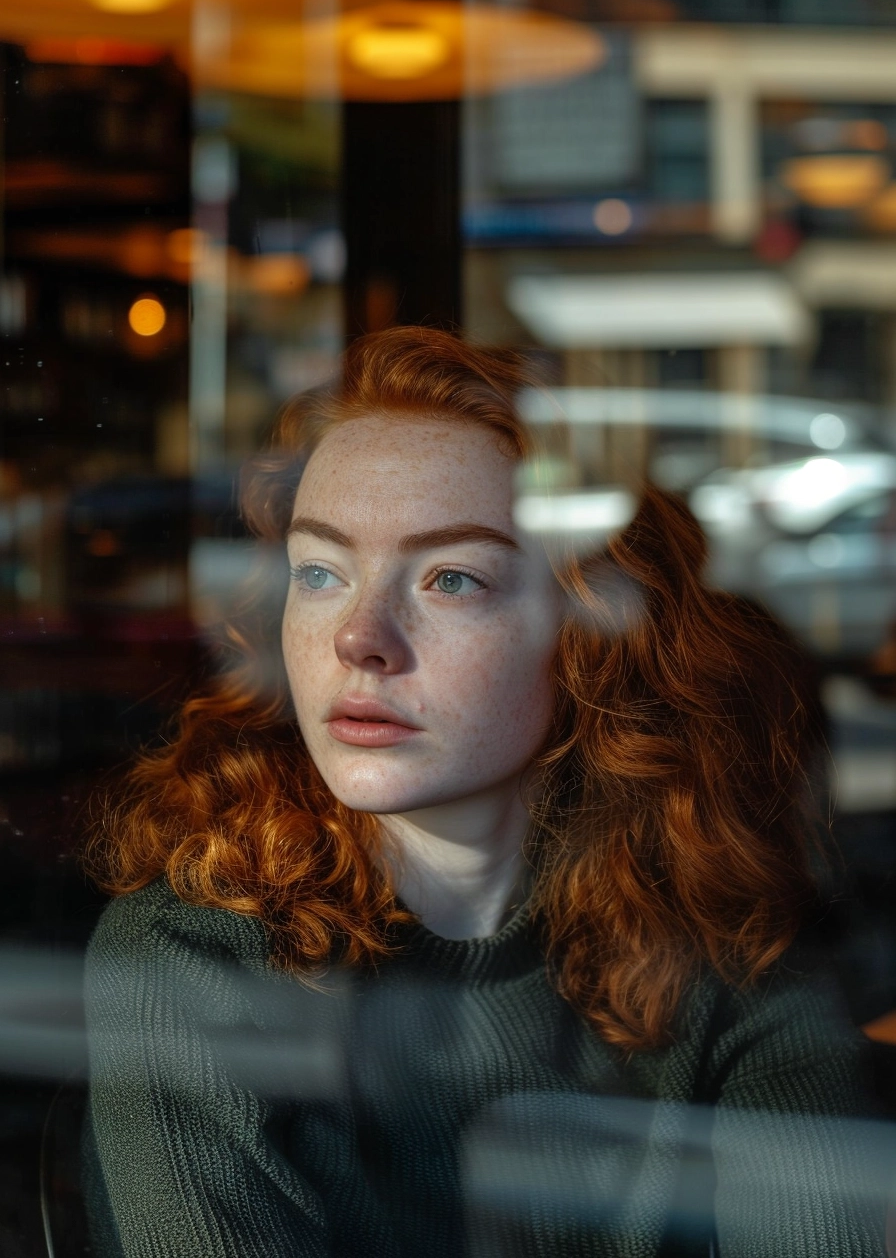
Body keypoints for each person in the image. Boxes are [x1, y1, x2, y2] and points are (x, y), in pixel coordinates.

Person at [82, 326, 888, 1257]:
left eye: (452, 577)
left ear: (589, 633)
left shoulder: (715, 934)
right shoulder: (194, 953)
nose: (358, 636)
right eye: (321, 571)